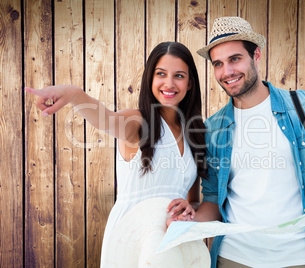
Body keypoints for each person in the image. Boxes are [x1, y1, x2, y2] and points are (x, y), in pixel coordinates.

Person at [184, 17, 305, 268]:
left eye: (235, 59)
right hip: (234, 257)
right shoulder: (213, 129)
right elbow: (212, 201)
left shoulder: (303, 106)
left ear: (256, 55)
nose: (226, 72)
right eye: (218, 63)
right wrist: (189, 224)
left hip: (302, 258)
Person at [25, 41, 210, 267]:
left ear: (190, 83)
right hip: (130, 240)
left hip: (173, 244)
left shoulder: (195, 133)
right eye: (161, 74)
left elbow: (193, 202)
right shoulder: (137, 122)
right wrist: (74, 95)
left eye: (179, 76)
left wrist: (190, 210)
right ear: (150, 78)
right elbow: (106, 119)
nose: (169, 83)